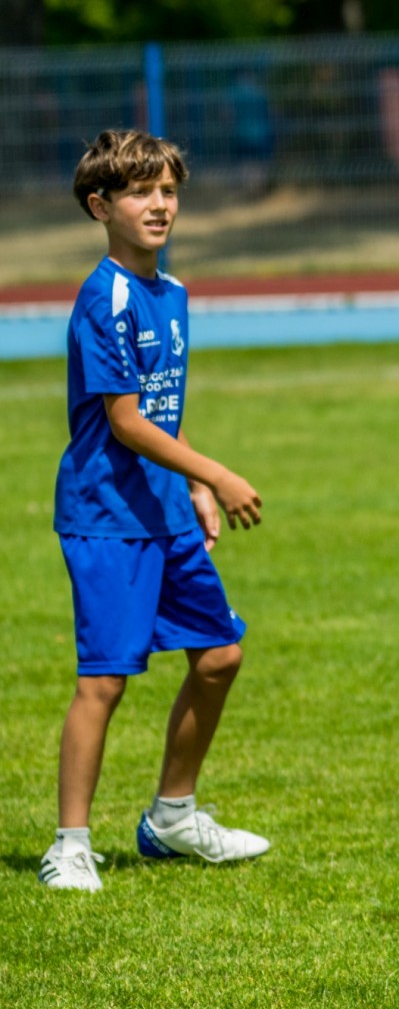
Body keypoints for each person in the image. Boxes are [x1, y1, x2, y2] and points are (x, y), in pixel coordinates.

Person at [41, 129, 269, 893]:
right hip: (107, 516)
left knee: (220, 655)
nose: (159, 204)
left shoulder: (172, 293)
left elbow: (163, 414)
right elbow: (125, 422)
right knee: (104, 681)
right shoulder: (105, 296)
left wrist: (192, 487)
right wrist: (219, 475)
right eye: (140, 191)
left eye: (168, 190)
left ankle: (172, 816)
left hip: (164, 510)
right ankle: (70, 845)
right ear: (99, 206)